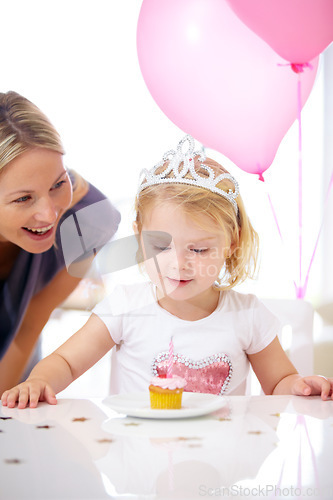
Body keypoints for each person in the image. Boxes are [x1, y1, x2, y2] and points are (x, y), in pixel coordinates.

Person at [1, 134, 332, 409]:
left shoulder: (247, 315)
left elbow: (278, 384)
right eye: (160, 246)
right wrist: (40, 381)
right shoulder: (125, 307)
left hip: (222, 465)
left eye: (199, 249)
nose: (178, 263)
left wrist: (300, 385)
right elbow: (67, 363)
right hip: (140, 463)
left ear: (233, 241)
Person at [0, 91, 120, 394]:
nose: (50, 214)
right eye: (23, 198)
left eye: (58, 184)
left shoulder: (88, 219)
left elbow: (27, 328)